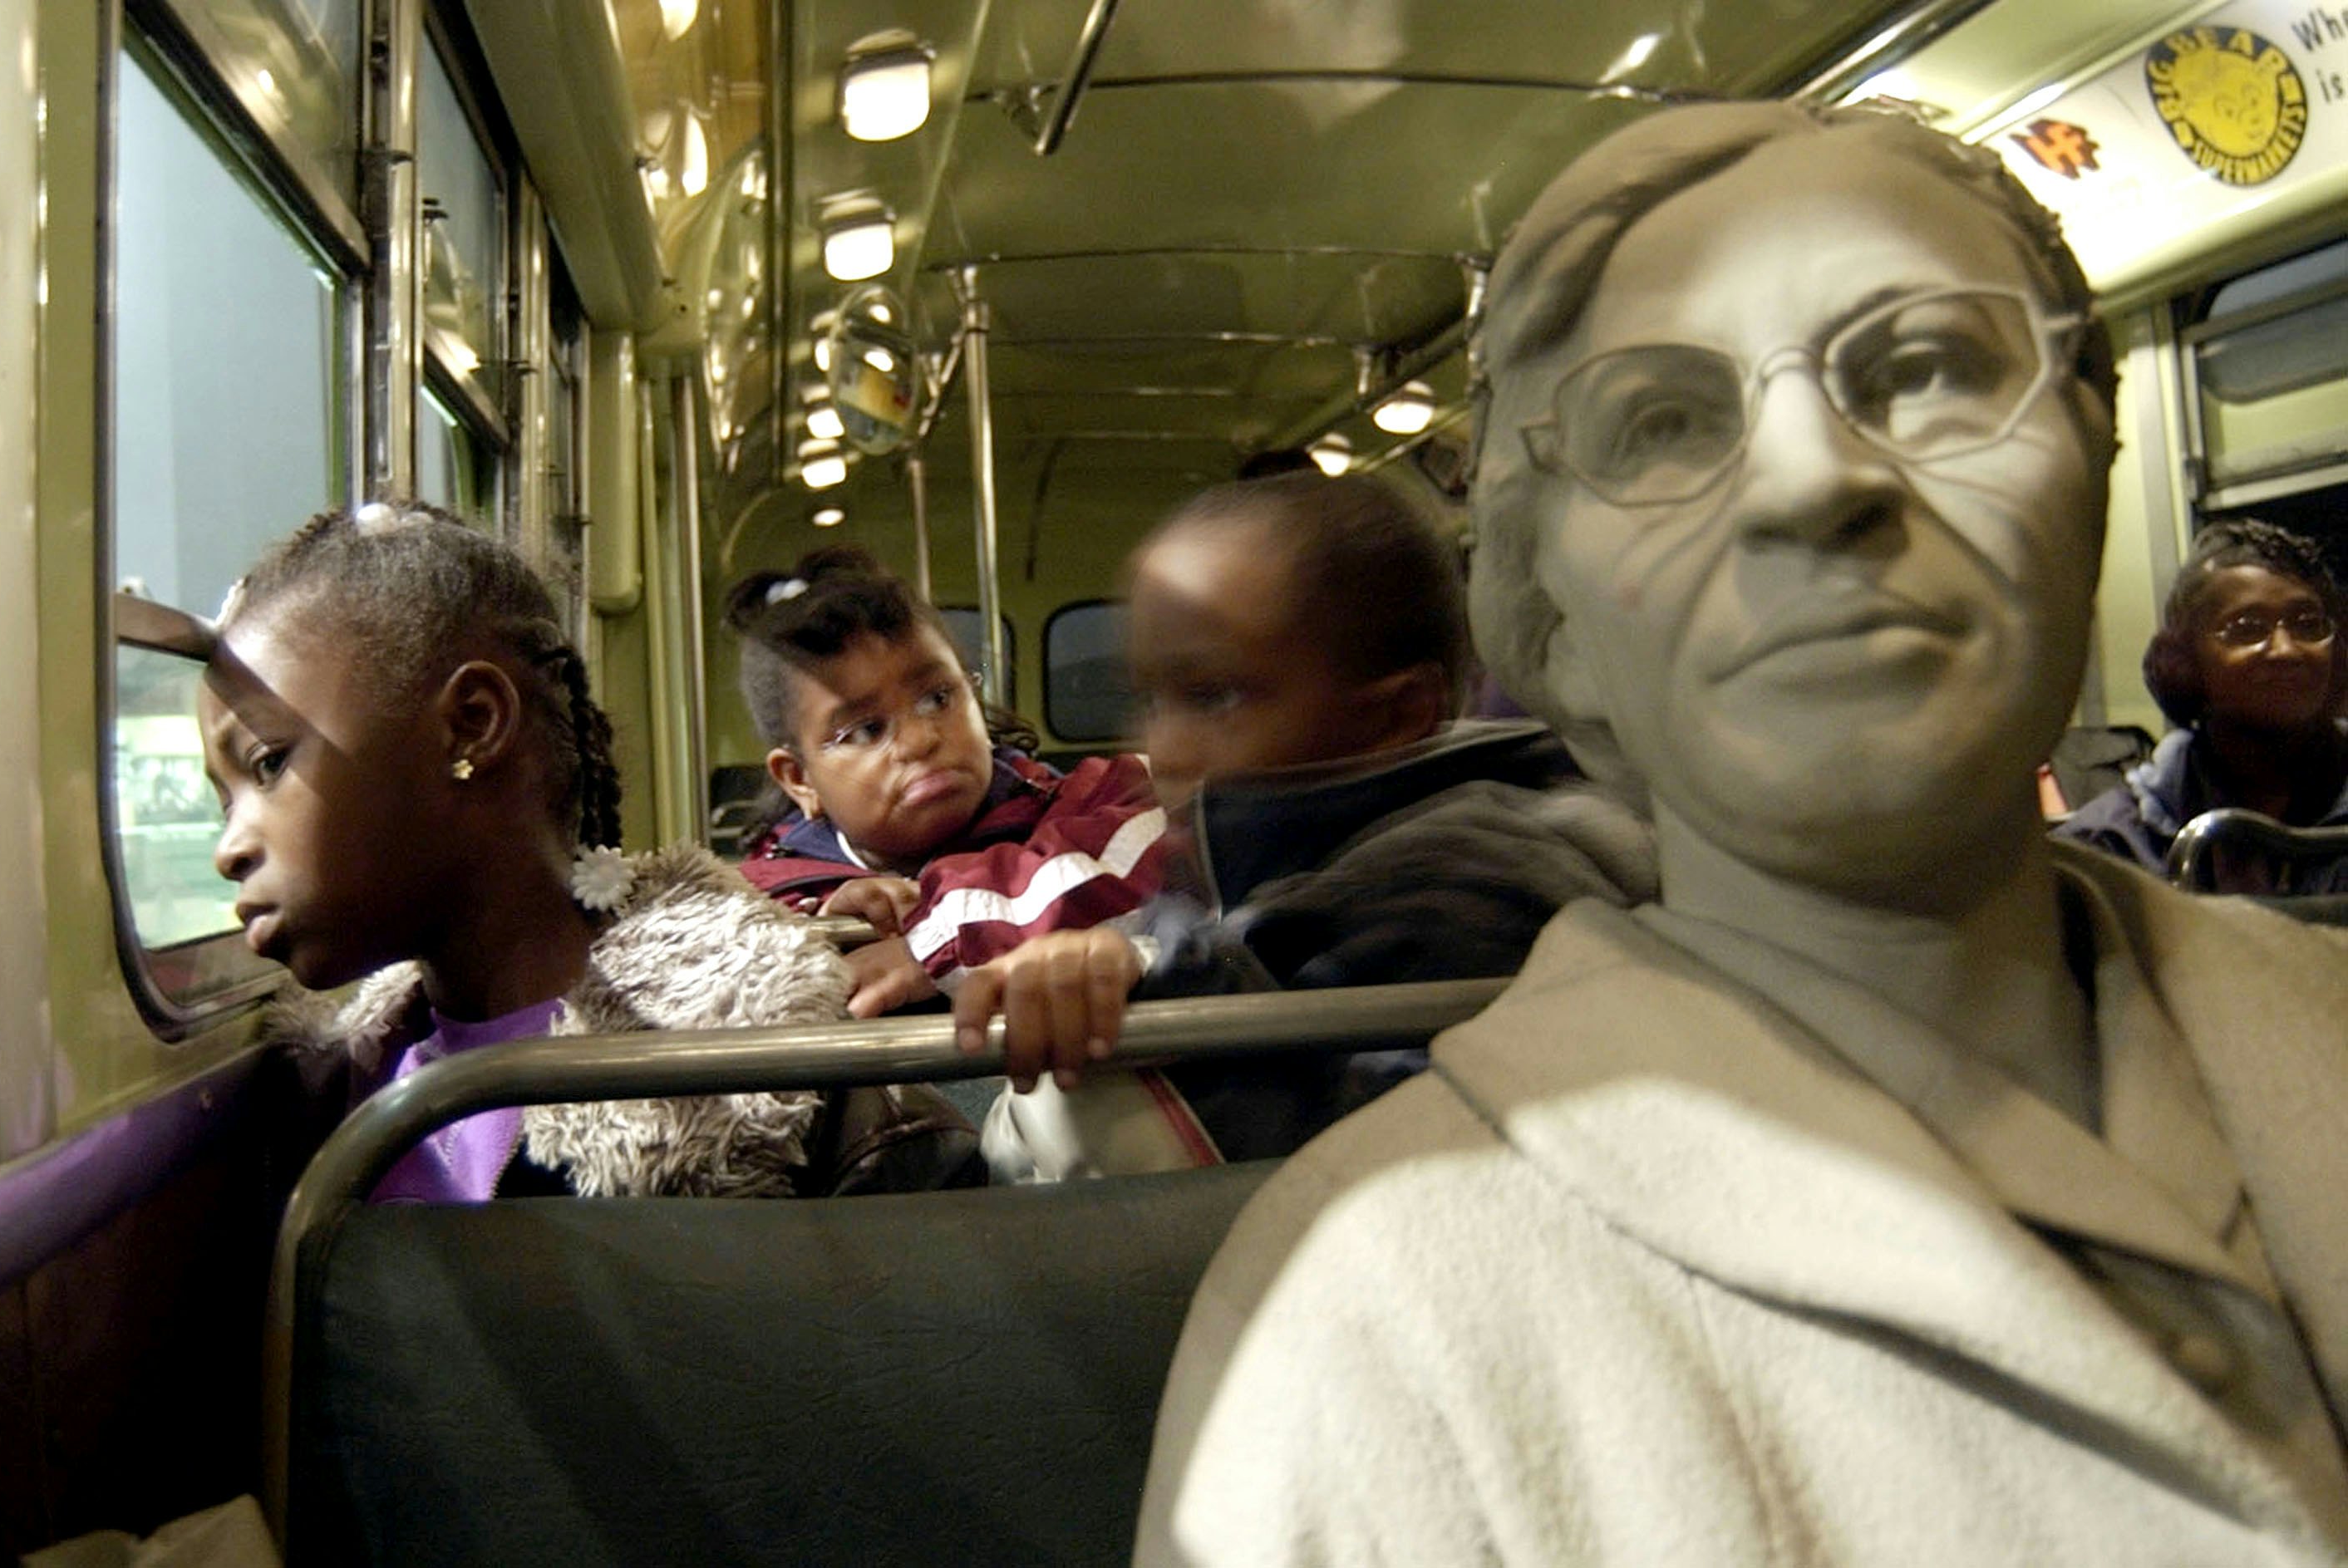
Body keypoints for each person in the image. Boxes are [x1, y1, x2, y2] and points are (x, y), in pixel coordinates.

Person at [1137, 103, 2348, 1565]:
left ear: (2095, 470)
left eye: (1926, 368)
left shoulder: (2313, 1023)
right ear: (1554, 621)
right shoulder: (1359, 1335)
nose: (1813, 480)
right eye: (1661, 424)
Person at [210, 502, 976, 1201]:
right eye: (221, 799)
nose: (229, 849)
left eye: (269, 764)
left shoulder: (779, 1072)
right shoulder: (330, 1093)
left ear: (472, 724)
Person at [957, 473, 1654, 1177]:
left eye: (1214, 696)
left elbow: (1390, 1150)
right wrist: (1106, 965)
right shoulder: (1249, 856)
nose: (1161, 747)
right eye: (1150, 700)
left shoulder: (1475, 892)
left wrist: (1156, 991)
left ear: (1395, 716)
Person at [729, 545, 1174, 1016]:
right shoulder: (762, 898)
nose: (921, 740)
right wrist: (823, 927)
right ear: (800, 779)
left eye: (938, 699)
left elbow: (1146, 855)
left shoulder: (1089, 804)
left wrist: (932, 942)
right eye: (865, 731)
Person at [2056, 518, 2348, 890]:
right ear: (2182, 664)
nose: (2286, 650)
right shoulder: (2111, 847)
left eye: (2307, 624)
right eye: (2247, 628)